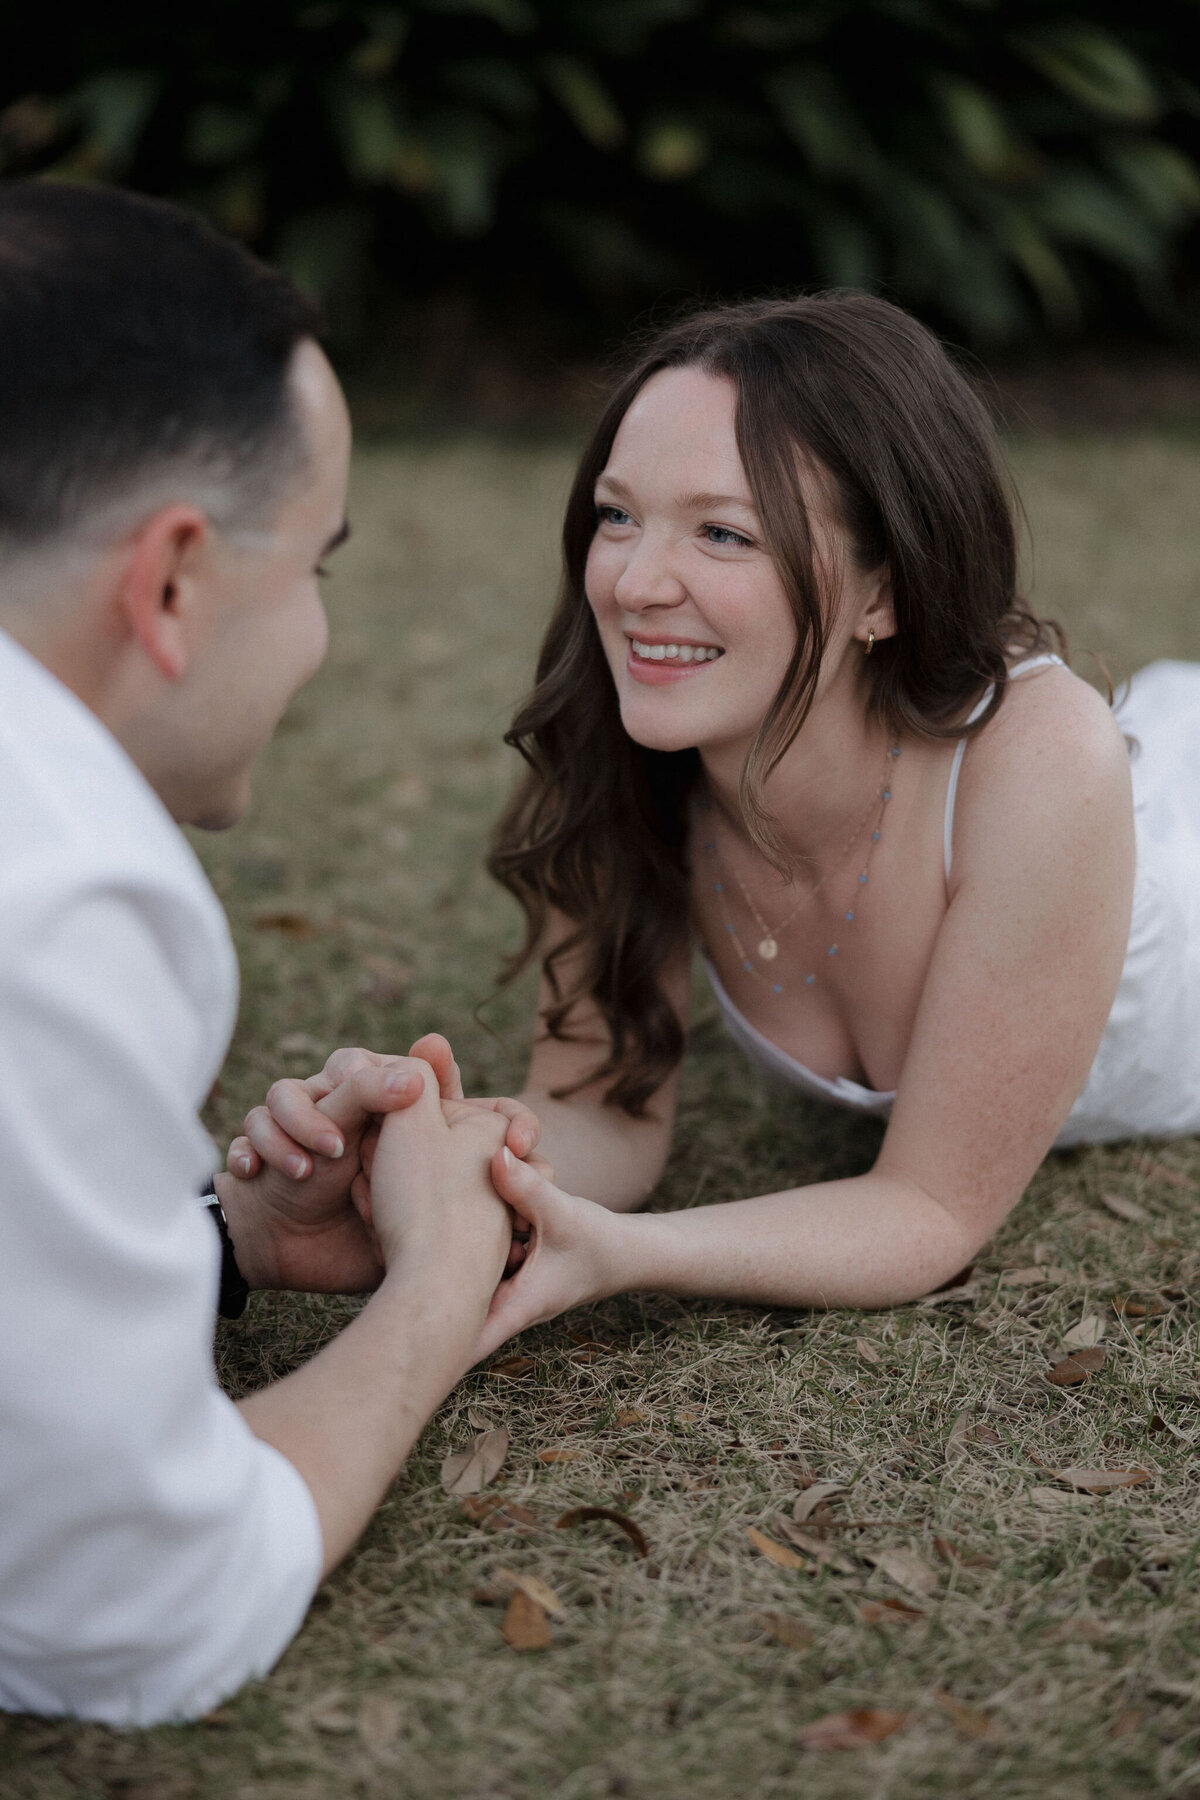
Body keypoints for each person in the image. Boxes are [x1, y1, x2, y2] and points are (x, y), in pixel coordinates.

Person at [248, 291, 1200, 1355]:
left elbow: (929, 1212)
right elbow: (602, 1110)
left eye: (722, 532)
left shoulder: (1034, 762)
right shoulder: (623, 748)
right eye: (618, 515)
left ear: (882, 590)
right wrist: (439, 1146)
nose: (637, 582)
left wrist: (622, 1253)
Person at [0, 179, 540, 1728]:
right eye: (318, 566)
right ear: (170, 583)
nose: (319, 633)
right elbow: (141, 1619)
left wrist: (214, 1242)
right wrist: (434, 1291)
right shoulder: (60, 895)